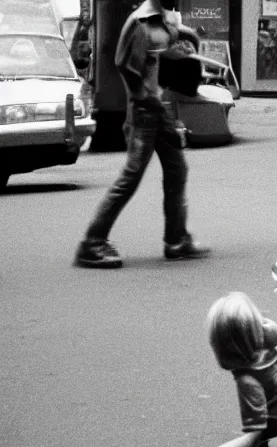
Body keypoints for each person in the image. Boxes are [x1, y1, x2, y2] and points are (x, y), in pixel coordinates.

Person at [75, 0, 210, 269]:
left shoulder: (163, 21)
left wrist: (176, 52)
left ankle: (176, 238)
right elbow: (123, 63)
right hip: (144, 111)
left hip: (157, 108)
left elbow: (158, 55)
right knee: (131, 176)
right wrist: (141, 96)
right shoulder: (139, 23)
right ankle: (92, 243)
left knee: (177, 169)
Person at [171, 292, 277, 447]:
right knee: (256, 442)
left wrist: (252, 438)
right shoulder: (268, 350)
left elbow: (256, 423)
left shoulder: (247, 379)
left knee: (252, 439)